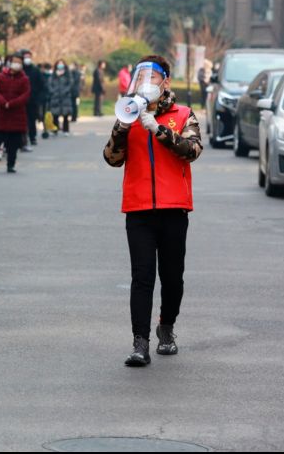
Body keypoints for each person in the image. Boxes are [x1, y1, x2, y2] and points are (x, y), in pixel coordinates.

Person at [103, 55, 203, 367]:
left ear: (165, 82)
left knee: (172, 278)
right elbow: (112, 158)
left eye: (153, 77)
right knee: (142, 277)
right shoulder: (129, 113)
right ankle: (140, 342)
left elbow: (192, 151)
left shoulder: (183, 114)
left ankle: (167, 327)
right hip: (139, 209)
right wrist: (122, 127)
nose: (147, 82)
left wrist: (158, 128)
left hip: (174, 209)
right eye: (142, 76)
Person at [21, 49, 45, 150]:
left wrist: (39, 98)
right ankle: (22, 139)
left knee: (32, 119)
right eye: (25, 57)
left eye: (28, 57)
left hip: (33, 99)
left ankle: (32, 137)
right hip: (21, 100)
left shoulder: (35, 70)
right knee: (22, 120)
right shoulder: (20, 70)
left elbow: (41, 85)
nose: (27, 59)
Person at [48, 59, 75, 136]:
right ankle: (55, 130)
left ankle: (66, 130)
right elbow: (49, 84)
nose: (60, 65)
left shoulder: (67, 74)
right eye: (59, 64)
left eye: (62, 63)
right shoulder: (53, 74)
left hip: (65, 97)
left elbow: (70, 84)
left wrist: (65, 91)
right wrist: (53, 91)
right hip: (55, 97)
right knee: (55, 114)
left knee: (66, 115)